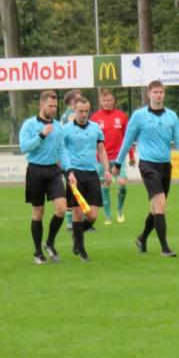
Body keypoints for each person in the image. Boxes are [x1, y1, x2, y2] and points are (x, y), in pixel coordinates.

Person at [112, 80, 179, 257]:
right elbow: (127, 141)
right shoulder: (139, 116)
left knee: (155, 208)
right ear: (149, 94)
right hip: (148, 165)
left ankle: (142, 238)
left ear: (164, 94)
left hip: (165, 166)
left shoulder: (172, 116)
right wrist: (117, 163)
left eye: (161, 92)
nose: (158, 95)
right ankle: (165, 248)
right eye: (155, 92)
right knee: (161, 203)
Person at [19, 90, 74, 265]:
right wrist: (41, 135)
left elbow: (62, 150)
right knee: (38, 212)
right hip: (35, 171)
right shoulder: (29, 125)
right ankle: (38, 252)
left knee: (61, 208)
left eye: (55, 106)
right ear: (41, 104)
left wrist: (69, 170)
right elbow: (24, 147)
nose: (53, 109)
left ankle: (49, 242)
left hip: (53, 171)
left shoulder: (58, 126)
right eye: (50, 106)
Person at [63, 96, 112, 261]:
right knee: (77, 213)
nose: (84, 114)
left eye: (86, 111)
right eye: (81, 111)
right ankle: (82, 252)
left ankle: (76, 236)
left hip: (92, 174)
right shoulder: (66, 129)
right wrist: (67, 171)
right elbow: (60, 151)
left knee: (93, 216)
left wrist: (107, 169)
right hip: (75, 174)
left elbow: (101, 150)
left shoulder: (95, 128)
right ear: (74, 110)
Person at [90, 90, 136, 223]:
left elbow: (127, 138)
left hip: (118, 158)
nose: (106, 103)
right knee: (105, 185)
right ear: (100, 101)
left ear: (114, 101)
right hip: (101, 159)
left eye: (108, 100)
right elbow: (91, 139)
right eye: (104, 100)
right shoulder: (95, 117)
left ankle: (119, 210)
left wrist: (131, 155)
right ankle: (108, 215)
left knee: (122, 184)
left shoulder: (121, 116)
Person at [61, 88, 83, 232]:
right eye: (78, 98)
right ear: (71, 101)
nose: (81, 100)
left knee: (76, 189)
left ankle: (78, 220)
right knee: (73, 189)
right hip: (71, 159)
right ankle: (71, 222)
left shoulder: (67, 114)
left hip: (71, 158)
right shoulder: (71, 115)